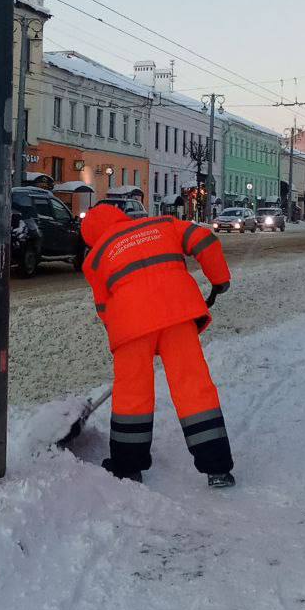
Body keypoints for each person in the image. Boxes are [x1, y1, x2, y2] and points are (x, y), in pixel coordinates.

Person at [81, 205, 235, 488]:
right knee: (193, 386)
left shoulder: (95, 258)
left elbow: (104, 308)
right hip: (178, 315)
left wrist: (126, 338)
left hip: (129, 325)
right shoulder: (163, 224)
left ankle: (127, 467)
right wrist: (219, 280)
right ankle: (217, 468)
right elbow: (205, 240)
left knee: (131, 395)